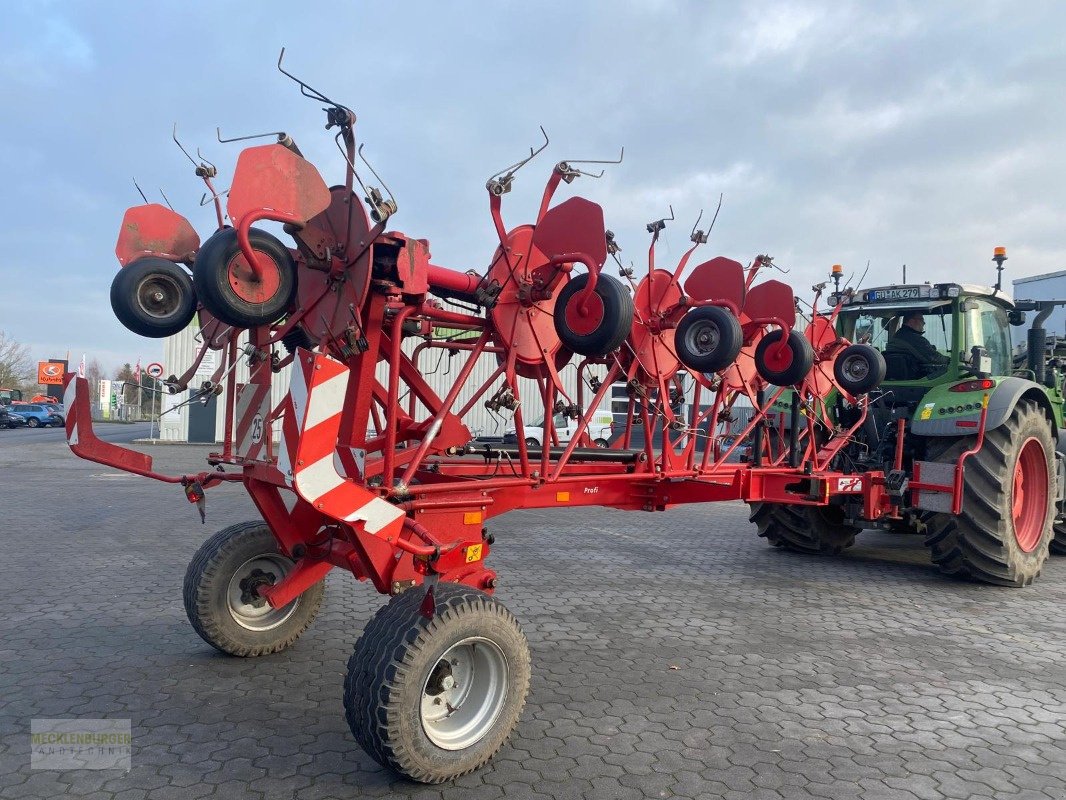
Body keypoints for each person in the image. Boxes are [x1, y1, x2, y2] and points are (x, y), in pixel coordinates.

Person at [885, 311, 950, 375]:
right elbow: (933, 358)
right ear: (911, 321)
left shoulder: (898, 335)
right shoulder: (913, 338)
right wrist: (950, 361)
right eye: (921, 319)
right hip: (916, 377)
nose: (924, 323)